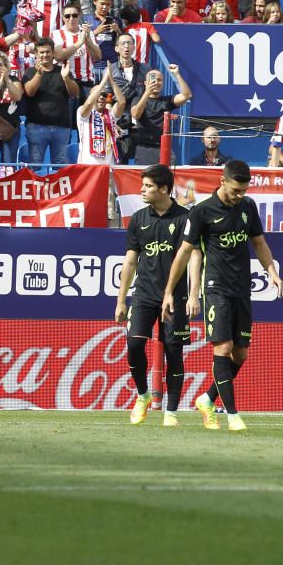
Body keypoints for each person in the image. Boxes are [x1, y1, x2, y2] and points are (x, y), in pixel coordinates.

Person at [162, 159, 283, 431]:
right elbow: (184, 252)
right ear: (222, 182)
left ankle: (207, 398)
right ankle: (231, 415)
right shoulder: (202, 212)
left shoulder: (247, 207)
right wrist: (171, 291)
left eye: (243, 190)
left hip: (242, 289)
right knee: (223, 348)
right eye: (235, 190)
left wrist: (272, 271)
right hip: (216, 288)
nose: (239, 195)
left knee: (240, 356)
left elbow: (259, 243)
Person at [115, 164, 199, 427]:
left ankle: (171, 412)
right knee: (135, 345)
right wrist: (121, 300)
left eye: (148, 186)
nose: (142, 190)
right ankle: (143, 396)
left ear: (164, 189)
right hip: (143, 295)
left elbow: (195, 255)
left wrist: (194, 294)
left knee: (173, 353)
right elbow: (130, 262)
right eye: (143, 185)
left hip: (176, 298)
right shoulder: (139, 219)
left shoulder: (186, 218)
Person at [23, 37, 80, 168]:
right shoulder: (30, 72)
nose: (45, 55)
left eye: (48, 51)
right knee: (35, 164)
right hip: (36, 127)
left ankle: (58, 190)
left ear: (53, 53)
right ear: (36, 54)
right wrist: (38, 74)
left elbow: (74, 93)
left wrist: (66, 78)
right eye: (41, 52)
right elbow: (29, 92)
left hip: (61, 127)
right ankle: (36, 189)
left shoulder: (63, 71)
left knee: (60, 165)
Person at [127, 64, 193, 165]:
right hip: (145, 149)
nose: (156, 82)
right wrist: (147, 93)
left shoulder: (167, 100)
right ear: (145, 83)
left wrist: (177, 74)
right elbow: (136, 114)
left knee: (167, 178)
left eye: (159, 80)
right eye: (153, 80)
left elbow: (187, 95)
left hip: (164, 147)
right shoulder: (137, 99)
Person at [77, 67, 127, 165]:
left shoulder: (111, 114)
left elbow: (122, 102)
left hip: (108, 168)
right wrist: (103, 81)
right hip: (88, 166)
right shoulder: (83, 111)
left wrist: (110, 80)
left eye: (104, 95)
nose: (101, 97)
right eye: (97, 94)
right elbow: (88, 104)